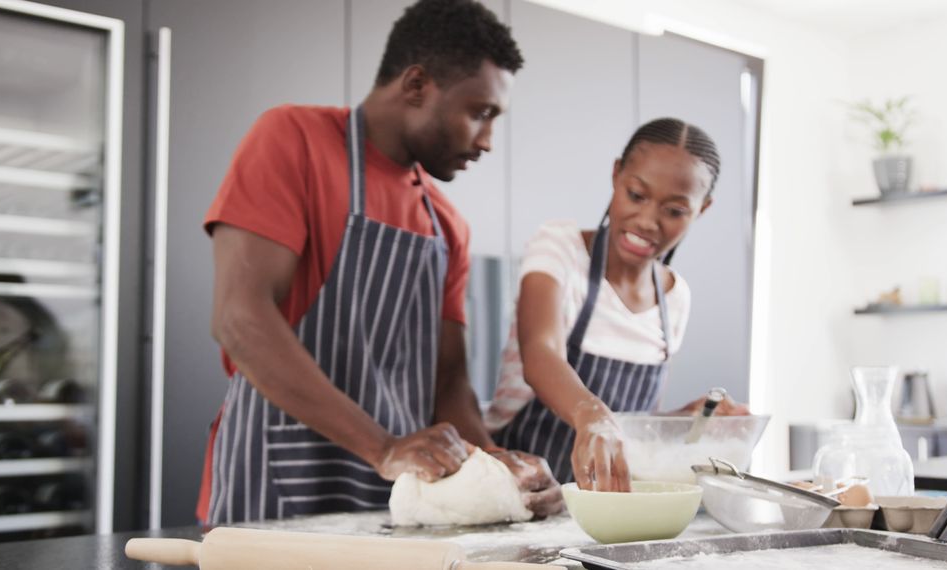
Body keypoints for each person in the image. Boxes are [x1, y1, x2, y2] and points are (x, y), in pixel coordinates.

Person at [198, 0, 561, 524]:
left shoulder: (446, 225)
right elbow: (240, 319)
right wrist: (384, 446)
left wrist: (502, 472)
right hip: (277, 477)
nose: (487, 140)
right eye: (479, 112)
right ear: (416, 85)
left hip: (397, 492)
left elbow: (449, 386)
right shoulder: (292, 140)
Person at [485, 118, 749, 493]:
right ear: (616, 174)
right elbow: (540, 354)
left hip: (603, 506)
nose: (647, 221)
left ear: (702, 209)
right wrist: (589, 415)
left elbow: (630, 426)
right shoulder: (560, 249)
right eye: (636, 195)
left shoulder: (675, 299)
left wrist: (684, 419)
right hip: (518, 489)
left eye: (674, 211)